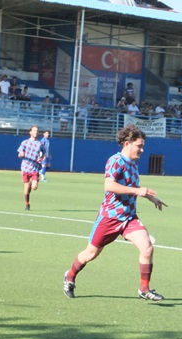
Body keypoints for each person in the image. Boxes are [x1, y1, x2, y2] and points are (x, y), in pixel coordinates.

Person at [62, 124, 167, 301]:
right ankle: (70, 277)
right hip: (109, 218)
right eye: (139, 146)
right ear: (127, 143)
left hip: (129, 218)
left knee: (147, 247)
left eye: (142, 146)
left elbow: (132, 187)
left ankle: (144, 289)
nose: (142, 149)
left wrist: (149, 196)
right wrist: (136, 191)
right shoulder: (115, 161)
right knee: (90, 254)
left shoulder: (133, 164)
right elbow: (109, 186)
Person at [17, 125, 44, 211]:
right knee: (27, 187)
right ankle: (27, 204)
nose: (36, 132)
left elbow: (43, 153)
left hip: (35, 168)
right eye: (34, 130)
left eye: (37, 131)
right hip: (25, 167)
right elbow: (20, 153)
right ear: (30, 132)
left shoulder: (40, 143)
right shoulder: (25, 142)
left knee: (34, 187)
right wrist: (21, 154)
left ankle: (35, 181)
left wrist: (41, 158)